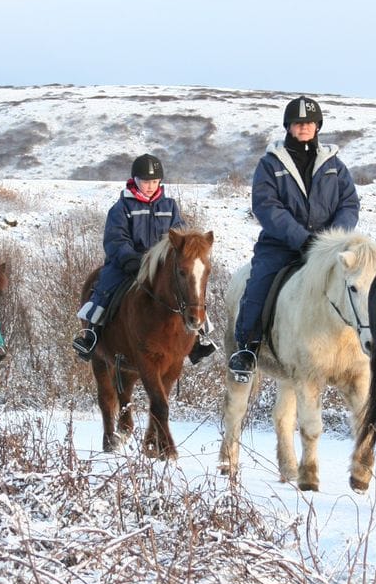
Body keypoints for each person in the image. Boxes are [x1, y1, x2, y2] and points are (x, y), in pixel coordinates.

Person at [228, 95, 360, 381]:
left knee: (360, 282)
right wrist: (301, 239)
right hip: (281, 244)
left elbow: (349, 204)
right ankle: (247, 347)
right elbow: (267, 206)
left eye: (309, 122)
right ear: (289, 126)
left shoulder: (334, 164)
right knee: (259, 282)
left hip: (327, 246)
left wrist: (333, 239)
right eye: (299, 123)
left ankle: (365, 344)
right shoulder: (270, 164)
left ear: (317, 126)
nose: (304, 127)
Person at [72, 154, 214, 361]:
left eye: (155, 181)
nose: (150, 186)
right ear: (135, 180)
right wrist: (129, 258)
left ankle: (200, 338)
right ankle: (91, 335)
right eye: (146, 181)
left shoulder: (169, 206)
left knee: (189, 290)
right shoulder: (121, 208)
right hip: (127, 263)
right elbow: (115, 239)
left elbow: (180, 233)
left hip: (161, 266)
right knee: (105, 287)